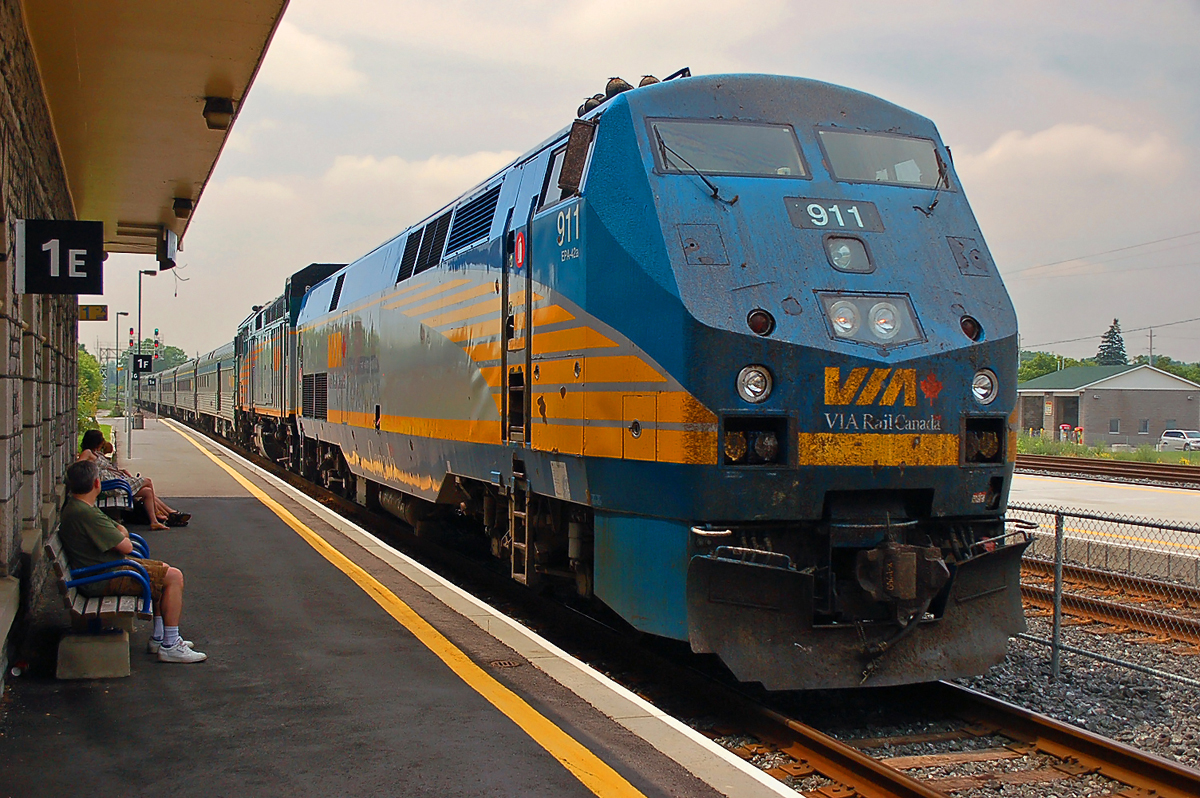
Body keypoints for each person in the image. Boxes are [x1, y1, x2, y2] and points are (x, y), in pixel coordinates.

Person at [59, 460, 206, 663]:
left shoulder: (79, 508)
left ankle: (159, 638)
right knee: (173, 577)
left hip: (100, 570)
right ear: (96, 484)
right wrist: (121, 534)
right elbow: (126, 545)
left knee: (163, 570)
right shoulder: (86, 513)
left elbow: (120, 535)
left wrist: (121, 535)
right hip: (102, 577)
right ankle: (170, 645)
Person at [77, 429, 189, 530]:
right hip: (111, 485)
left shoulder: (96, 453)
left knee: (148, 492)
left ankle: (161, 518)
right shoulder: (87, 452)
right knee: (147, 481)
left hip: (115, 482)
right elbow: (78, 467)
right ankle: (163, 514)